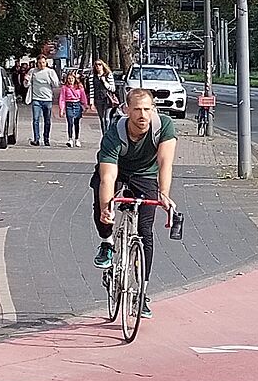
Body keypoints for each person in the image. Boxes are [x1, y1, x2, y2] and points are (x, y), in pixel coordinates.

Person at [92, 88, 177, 319]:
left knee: (145, 232)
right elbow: (108, 176)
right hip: (117, 170)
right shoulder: (115, 132)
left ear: (153, 110)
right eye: (137, 109)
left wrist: (164, 194)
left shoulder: (164, 126)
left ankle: (142, 294)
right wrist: (107, 208)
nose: (142, 115)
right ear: (126, 110)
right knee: (101, 200)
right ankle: (107, 243)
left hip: (146, 175)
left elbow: (165, 162)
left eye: (147, 109)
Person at [26, 54, 60, 146]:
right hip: (36, 99)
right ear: (37, 63)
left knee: (47, 120)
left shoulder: (50, 72)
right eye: (40, 63)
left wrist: (51, 80)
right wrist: (26, 80)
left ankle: (46, 139)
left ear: (46, 63)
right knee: (36, 119)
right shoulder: (32, 71)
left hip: (47, 99)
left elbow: (56, 84)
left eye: (43, 63)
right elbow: (26, 84)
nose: (41, 65)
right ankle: (36, 139)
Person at [58, 72, 90, 147]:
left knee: (76, 123)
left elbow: (83, 97)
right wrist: (61, 109)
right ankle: (70, 139)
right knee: (70, 122)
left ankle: (77, 139)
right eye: (69, 78)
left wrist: (85, 106)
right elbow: (62, 98)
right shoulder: (64, 88)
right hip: (69, 105)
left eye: (72, 78)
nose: (70, 80)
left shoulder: (79, 87)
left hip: (77, 105)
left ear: (75, 79)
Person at [90, 59, 120, 132]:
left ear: (103, 65)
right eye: (96, 65)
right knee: (102, 119)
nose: (98, 66)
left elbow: (113, 89)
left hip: (107, 99)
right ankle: (104, 134)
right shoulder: (92, 77)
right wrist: (91, 102)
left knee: (107, 119)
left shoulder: (108, 75)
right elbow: (92, 89)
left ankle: (108, 134)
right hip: (98, 99)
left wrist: (104, 81)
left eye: (99, 64)